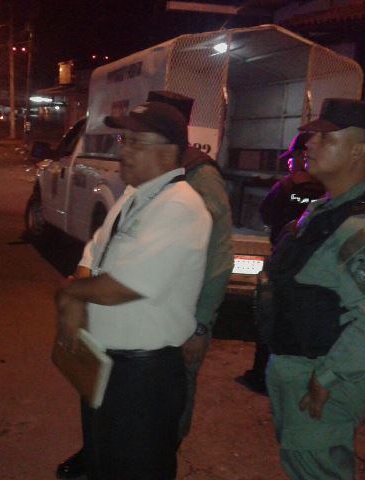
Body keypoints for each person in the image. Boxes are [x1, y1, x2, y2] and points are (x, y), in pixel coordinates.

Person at [55, 91, 232, 479]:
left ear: (169, 151)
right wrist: (78, 297)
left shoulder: (180, 206)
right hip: (108, 365)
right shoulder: (135, 196)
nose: (124, 151)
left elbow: (122, 286)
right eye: (124, 140)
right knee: (103, 464)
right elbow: (93, 253)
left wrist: (71, 294)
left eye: (136, 142)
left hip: (143, 377)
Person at [259, 98, 365, 480]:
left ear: (357, 151)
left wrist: (327, 378)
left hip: (319, 379)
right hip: (299, 370)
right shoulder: (327, 210)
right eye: (312, 137)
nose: (309, 144)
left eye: (326, 138)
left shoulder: (361, 230)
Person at [238, 132, 325, 395]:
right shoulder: (326, 189)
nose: (289, 162)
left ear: (301, 155)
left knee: (271, 316)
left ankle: (261, 376)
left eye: (291, 157)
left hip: (285, 261)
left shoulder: (286, 186)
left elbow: (266, 213)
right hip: (314, 265)